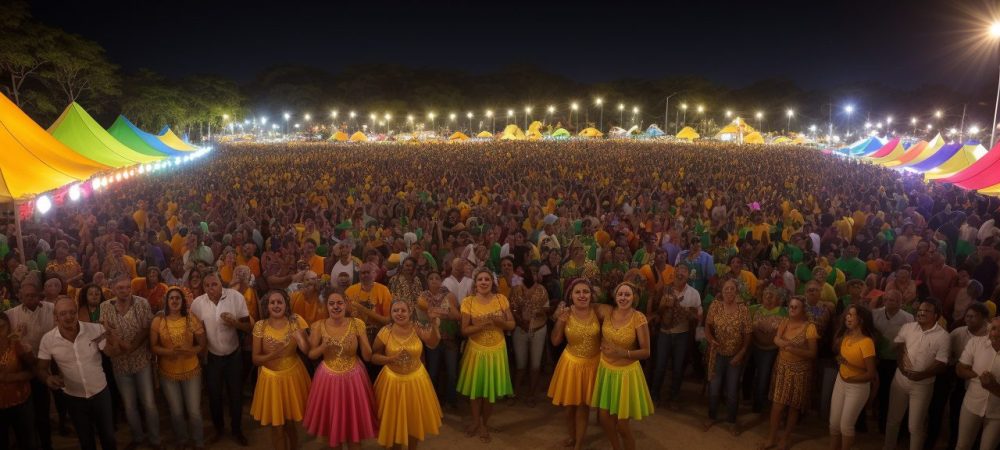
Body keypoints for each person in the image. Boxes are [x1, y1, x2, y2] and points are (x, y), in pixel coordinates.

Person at [36, 297, 117, 450]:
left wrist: (112, 339)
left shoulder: (95, 329)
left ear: (77, 313)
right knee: (86, 441)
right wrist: (48, 379)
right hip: (74, 397)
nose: (69, 317)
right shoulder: (48, 340)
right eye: (63, 313)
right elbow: (40, 368)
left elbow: (111, 353)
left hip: (101, 393)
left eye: (72, 312)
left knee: (109, 438)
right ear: (56, 317)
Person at [303, 292, 378, 450]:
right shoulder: (318, 325)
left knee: (354, 434)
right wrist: (324, 346)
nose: (336, 306)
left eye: (339, 303)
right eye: (332, 303)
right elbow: (311, 355)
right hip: (328, 379)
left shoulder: (356, 323)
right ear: (327, 306)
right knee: (334, 434)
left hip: (354, 378)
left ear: (346, 304)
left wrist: (362, 334)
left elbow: (367, 356)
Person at [189, 271, 252, 446]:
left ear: (221, 283)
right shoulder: (197, 304)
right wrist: (201, 353)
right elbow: (194, 330)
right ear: (203, 287)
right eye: (207, 285)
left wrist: (235, 324)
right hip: (213, 357)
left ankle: (237, 430)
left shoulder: (235, 297)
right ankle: (219, 430)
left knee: (235, 395)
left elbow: (249, 327)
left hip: (233, 355)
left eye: (214, 284)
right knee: (214, 396)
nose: (211, 289)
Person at [372, 299, 443, 449]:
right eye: (395, 310)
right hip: (391, 382)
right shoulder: (385, 331)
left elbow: (433, 343)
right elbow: (374, 356)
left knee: (414, 422)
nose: (399, 313)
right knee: (393, 423)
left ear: (410, 312)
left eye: (403, 310)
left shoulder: (417, 328)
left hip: (416, 381)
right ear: (390, 314)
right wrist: (389, 358)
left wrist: (433, 322)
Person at [591, 281, 653, 450]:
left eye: (627, 295)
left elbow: (646, 352)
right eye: (620, 294)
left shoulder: (638, 317)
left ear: (634, 298)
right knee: (604, 418)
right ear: (615, 296)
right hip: (606, 370)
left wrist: (623, 353)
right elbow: (586, 306)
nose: (623, 298)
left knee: (622, 426)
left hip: (626, 375)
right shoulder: (608, 312)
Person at [100, 275, 160, 450]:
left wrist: (131, 347)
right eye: (120, 288)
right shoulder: (106, 307)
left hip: (141, 360)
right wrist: (117, 345)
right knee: (129, 404)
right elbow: (106, 331)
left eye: (127, 287)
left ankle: (155, 440)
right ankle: (138, 437)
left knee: (148, 403)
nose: (125, 291)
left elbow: (145, 329)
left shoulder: (141, 303)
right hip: (119, 363)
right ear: (113, 289)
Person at [457, 266, 515, 443]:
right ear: (476, 283)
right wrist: (481, 325)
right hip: (476, 349)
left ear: (492, 282)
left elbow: (512, 324)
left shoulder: (501, 299)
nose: (483, 282)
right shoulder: (468, 302)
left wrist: (500, 322)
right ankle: (476, 421)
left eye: (487, 279)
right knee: (476, 390)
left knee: (490, 391)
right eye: (480, 279)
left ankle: (484, 424)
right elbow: (464, 330)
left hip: (497, 350)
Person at [884, 299, 950, 450]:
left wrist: (922, 375)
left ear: (936, 315)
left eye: (926, 311)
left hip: (922, 385)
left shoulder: (943, 336)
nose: (921, 312)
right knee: (893, 419)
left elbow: (942, 364)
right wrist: (901, 367)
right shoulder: (908, 327)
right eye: (920, 310)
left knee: (915, 426)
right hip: (900, 380)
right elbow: (899, 347)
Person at [250, 289, 311, 450]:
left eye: (280, 302)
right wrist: (273, 354)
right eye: (272, 302)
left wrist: (299, 336)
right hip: (270, 380)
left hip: (292, 376)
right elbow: (255, 359)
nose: (276, 305)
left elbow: (307, 351)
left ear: (286, 304)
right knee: (277, 426)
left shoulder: (295, 321)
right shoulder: (260, 326)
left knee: (291, 424)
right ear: (267, 306)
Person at [757, 296, 818, 450]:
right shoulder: (785, 322)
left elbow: (812, 353)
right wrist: (782, 343)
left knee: (793, 406)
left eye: (795, 307)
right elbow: (776, 338)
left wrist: (793, 349)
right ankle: (771, 437)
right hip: (782, 368)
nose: (791, 309)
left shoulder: (809, 327)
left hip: (799, 371)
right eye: (790, 306)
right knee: (777, 405)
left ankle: (785, 438)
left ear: (803, 309)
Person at [150, 287, 207, 450]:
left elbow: (202, 344)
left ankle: (198, 442)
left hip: (191, 370)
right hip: (168, 373)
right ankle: (182, 441)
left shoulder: (191, 319)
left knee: (194, 411)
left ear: (182, 302)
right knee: (176, 412)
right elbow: (153, 347)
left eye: (178, 298)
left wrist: (190, 350)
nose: (174, 301)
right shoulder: (158, 320)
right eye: (171, 298)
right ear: (166, 302)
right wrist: (169, 352)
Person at [548, 278, 602, 450]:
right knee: (569, 408)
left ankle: (578, 443)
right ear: (571, 295)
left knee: (583, 407)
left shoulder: (598, 310)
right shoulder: (566, 312)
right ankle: (572, 437)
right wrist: (560, 320)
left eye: (585, 292)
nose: (582, 295)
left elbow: (620, 313)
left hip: (592, 364)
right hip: (571, 364)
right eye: (578, 292)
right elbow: (556, 341)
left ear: (591, 295)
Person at [6, 282, 56, 450]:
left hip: (45, 365)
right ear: (20, 296)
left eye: (34, 295)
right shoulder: (11, 315)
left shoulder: (50, 309)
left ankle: (47, 443)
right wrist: (16, 336)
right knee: (26, 413)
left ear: (39, 294)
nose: (31, 299)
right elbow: (7, 339)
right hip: (24, 368)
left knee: (42, 410)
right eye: (27, 296)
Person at [648, 264, 701, 407]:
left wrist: (688, 313)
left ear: (688, 275)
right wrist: (663, 306)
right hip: (664, 333)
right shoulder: (665, 289)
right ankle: (654, 395)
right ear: (674, 273)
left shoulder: (694, 294)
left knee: (678, 368)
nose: (680, 273)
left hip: (682, 335)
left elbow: (698, 316)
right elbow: (656, 313)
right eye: (678, 270)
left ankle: (674, 397)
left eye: (684, 271)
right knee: (660, 366)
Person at [703, 278, 752, 435]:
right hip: (717, 355)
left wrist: (742, 352)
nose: (729, 291)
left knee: (732, 390)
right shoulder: (716, 306)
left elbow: (748, 333)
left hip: (734, 357)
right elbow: (707, 326)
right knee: (714, 388)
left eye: (732, 289)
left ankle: (731, 421)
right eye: (726, 289)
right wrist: (711, 339)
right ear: (721, 291)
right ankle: (711, 416)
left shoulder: (743, 309)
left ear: (736, 291)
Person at [830, 305, 877, 450]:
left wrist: (850, 379)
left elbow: (870, 374)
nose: (847, 318)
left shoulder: (867, 342)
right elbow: (843, 358)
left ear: (861, 319)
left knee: (846, 426)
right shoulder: (846, 336)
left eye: (852, 315)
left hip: (857, 387)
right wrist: (842, 361)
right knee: (834, 424)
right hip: (841, 381)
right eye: (847, 315)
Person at [954, 315, 1000, 450]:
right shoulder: (976, 343)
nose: (996, 333)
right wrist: (978, 376)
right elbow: (960, 369)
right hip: (972, 405)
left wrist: (993, 387)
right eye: (994, 328)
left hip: (997, 414)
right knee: (962, 445)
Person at [872, 290, 914, 433]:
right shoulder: (875, 314)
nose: (889, 302)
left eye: (893, 300)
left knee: (892, 393)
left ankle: (895, 426)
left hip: (895, 361)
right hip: (877, 358)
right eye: (887, 299)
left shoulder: (908, 318)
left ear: (900, 302)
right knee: (880, 392)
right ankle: (881, 423)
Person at [509, 263, 550, 405]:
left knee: (535, 365)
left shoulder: (542, 290)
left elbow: (546, 309)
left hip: (538, 328)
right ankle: (515, 392)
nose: (532, 275)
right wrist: (521, 321)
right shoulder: (516, 290)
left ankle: (531, 394)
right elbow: (512, 309)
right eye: (529, 272)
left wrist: (539, 312)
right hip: (520, 329)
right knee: (520, 364)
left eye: (534, 273)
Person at [0, 311, 36, 450]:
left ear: (9, 327)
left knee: (26, 441)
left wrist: (9, 377)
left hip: (20, 401)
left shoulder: (16, 344)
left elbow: (33, 371)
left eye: (2, 327)